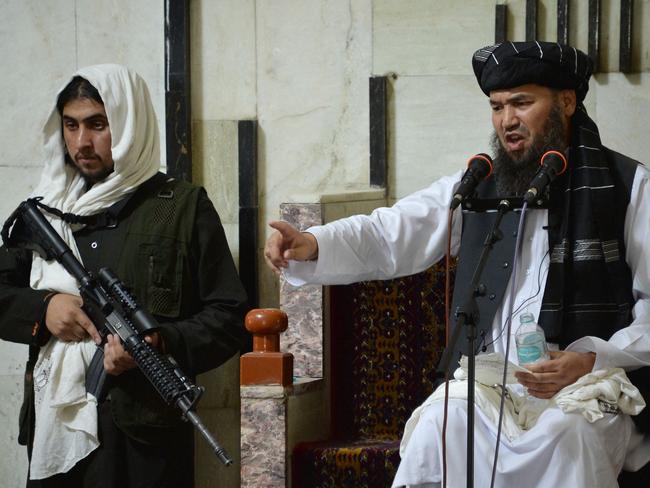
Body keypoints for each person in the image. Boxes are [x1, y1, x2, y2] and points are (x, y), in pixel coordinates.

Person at [264, 41, 650, 487]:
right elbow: (393, 230)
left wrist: (589, 359)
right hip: (494, 386)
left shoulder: (627, 187)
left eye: (522, 103)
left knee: (566, 434)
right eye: (497, 106)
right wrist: (313, 243)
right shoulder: (481, 185)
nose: (507, 121)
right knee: (440, 425)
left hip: (586, 389)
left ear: (567, 101)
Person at [0, 64, 248, 487]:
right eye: (71, 125)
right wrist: (45, 308)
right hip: (53, 433)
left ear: (129, 124)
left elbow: (229, 317)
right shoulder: (46, 212)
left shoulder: (182, 206)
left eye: (98, 124)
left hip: (144, 440)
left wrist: (162, 342)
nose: (82, 142)